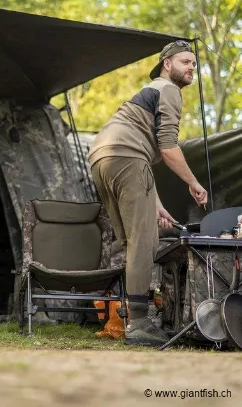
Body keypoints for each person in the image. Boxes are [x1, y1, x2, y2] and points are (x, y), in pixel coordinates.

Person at [87, 40, 208, 346]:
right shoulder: (168, 90)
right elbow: (167, 146)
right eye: (185, 62)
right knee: (145, 243)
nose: (191, 67)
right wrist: (193, 182)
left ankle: (123, 317)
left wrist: (159, 206)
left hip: (102, 158)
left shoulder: (148, 93)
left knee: (130, 241)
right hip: (127, 158)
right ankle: (139, 324)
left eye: (193, 64)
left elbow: (143, 163)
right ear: (167, 64)